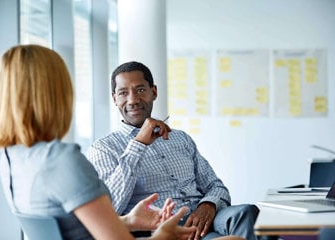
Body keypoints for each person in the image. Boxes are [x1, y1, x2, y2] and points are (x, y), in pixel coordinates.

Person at [0, 45, 197, 240]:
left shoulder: (11, 159)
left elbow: (70, 232)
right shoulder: (63, 160)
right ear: (56, 94)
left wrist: (129, 221)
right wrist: (163, 235)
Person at [87, 61, 260, 240]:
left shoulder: (180, 138)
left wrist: (208, 205)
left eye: (140, 90)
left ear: (153, 92)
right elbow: (110, 208)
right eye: (123, 93)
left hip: (205, 218)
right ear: (115, 98)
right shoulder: (104, 148)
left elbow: (215, 186)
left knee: (246, 213)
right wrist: (138, 145)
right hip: (163, 229)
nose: (133, 100)